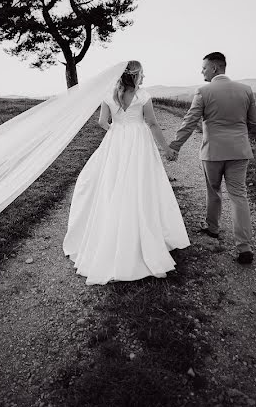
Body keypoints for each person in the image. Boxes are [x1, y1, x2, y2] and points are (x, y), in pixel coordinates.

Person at [63, 60, 190, 284]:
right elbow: (152, 124)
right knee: (140, 184)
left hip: (116, 142)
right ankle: (141, 234)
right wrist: (166, 149)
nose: (144, 77)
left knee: (113, 182)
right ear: (136, 75)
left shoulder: (110, 95)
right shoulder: (142, 96)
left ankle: (111, 231)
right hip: (139, 142)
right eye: (142, 73)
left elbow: (102, 122)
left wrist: (117, 130)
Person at [169, 52, 256, 264]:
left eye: (204, 67)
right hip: (239, 151)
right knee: (239, 196)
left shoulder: (203, 91)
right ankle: (244, 247)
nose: (201, 71)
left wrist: (175, 146)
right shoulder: (246, 90)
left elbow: (190, 121)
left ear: (215, 68)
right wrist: (242, 136)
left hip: (213, 153)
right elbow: (255, 120)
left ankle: (212, 228)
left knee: (214, 190)